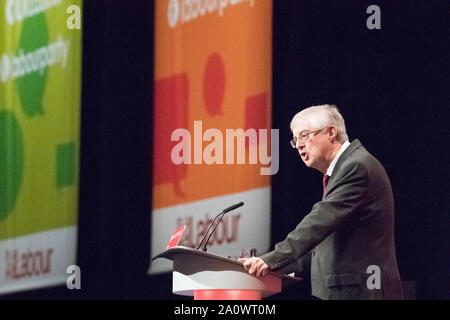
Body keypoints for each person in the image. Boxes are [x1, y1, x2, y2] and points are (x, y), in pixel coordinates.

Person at [239, 104, 403, 299]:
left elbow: (319, 222)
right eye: (295, 139)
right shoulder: (341, 170)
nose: (299, 144)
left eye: (304, 135)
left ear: (331, 133)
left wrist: (272, 259)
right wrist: (272, 266)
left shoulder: (356, 166)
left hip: (363, 291)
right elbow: (323, 242)